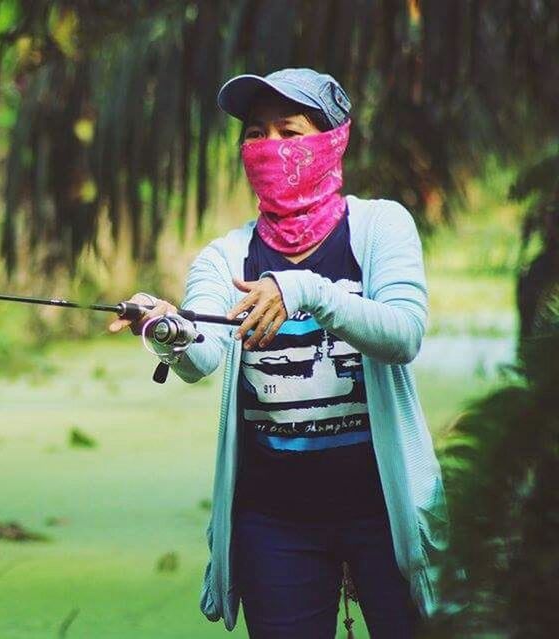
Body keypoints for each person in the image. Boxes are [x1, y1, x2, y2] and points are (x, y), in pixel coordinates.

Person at [107, 68, 448, 638]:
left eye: (289, 132)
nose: (270, 148)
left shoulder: (381, 227)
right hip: (275, 521)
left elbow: (403, 334)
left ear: (331, 140)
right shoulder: (226, 256)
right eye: (256, 134)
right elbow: (203, 355)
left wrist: (305, 290)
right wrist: (167, 331)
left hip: (384, 510)